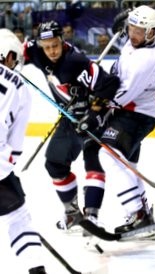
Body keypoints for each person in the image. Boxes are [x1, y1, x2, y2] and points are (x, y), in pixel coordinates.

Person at [80, 5, 155, 237]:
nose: (133, 34)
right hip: (135, 112)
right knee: (127, 166)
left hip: (134, 114)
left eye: (140, 31)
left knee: (107, 155)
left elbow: (122, 96)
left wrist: (97, 107)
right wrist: (136, 13)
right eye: (131, 28)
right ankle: (143, 217)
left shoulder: (145, 60)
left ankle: (138, 214)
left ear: (151, 32)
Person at [23, 20, 120, 234]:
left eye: (55, 45)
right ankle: (73, 212)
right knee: (54, 165)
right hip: (69, 119)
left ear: (62, 41)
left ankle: (92, 217)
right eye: (46, 47)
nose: (51, 51)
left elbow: (110, 83)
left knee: (93, 163)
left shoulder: (75, 61)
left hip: (92, 118)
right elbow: (17, 50)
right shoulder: (36, 51)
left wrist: (93, 113)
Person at [0, 29, 47, 274]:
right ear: (8, 55)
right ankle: (36, 269)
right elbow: (15, 146)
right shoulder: (19, 87)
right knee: (17, 218)